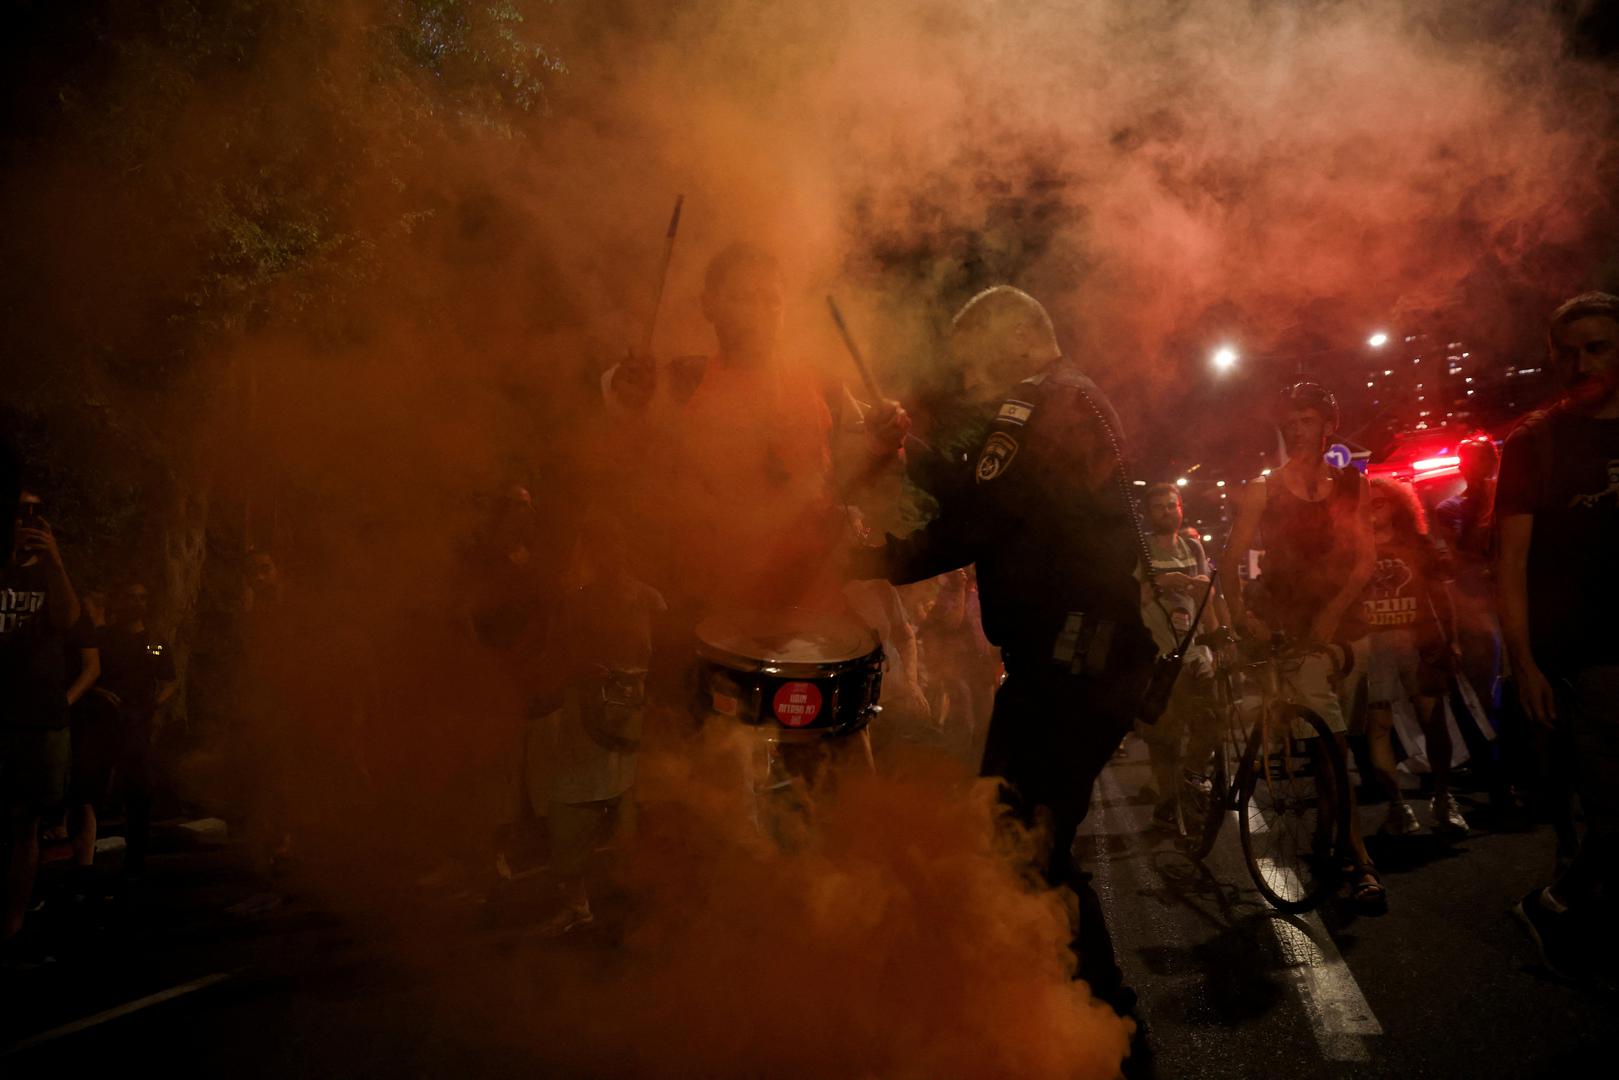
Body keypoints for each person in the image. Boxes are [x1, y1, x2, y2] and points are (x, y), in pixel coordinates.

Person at [849, 285, 1156, 1019]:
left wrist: (865, 560)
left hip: (1066, 663)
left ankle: (1097, 1011)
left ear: (1017, 338)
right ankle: (1077, 1006)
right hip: (1084, 657)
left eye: (974, 357)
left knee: (1020, 835)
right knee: (1023, 833)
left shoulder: (1036, 401)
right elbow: (992, 493)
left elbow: (977, 517)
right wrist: (910, 450)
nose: (968, 375)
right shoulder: (1071, 398)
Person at [1224, 383, 1384, 909]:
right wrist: (1243, 617)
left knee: (1340, 743)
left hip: (1347, 628)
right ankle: (1360, 860)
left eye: (1307, 420)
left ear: (1328, 426)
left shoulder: (1352, 484)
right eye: (1289, 422)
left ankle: (1325, 840)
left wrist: (1335, 610)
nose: (1296, 430)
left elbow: (1365, 558)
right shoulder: (1265, 488)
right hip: (1294, 633)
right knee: (1332, 746)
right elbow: (1229, 561)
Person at [1500, 291, 1619, 982]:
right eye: (1567, 353)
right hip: (1585, 656)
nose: (1582, 364)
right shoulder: (1534, 442)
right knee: (1610, 815)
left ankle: (1569, 904)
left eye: (1597, 347)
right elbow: (1510, 563)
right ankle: (1560, 904)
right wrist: (1522, 662)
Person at [1359, 477, 1468, 835]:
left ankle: (1443, 797)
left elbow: (1441, 596)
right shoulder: (1353, 550)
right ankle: (1398, 807)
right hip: (1374, 645)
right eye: (1366, 503)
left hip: (1418, 640)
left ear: (1396, 505)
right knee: (1378, 726)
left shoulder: (1416, 545)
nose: (1372, 510)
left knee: (1432, 720)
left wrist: (1451, 640)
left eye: (1379, 502)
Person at [0, 488, 83, 952]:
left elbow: (68, 619)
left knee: (26, 822)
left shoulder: (51, 572)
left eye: (36, 513)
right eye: (20, 511)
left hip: (38, 717)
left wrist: (55, 559)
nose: (27, 520)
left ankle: (12, 923)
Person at [1134, 484, 1219, 832]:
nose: (1167, 512)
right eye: (1159, 507)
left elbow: (1207, 599)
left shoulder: (1193, 546)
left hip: (1195, 650)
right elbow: (1133, 598)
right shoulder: (1142, 550)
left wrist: (1217, 636)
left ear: (1181, 507)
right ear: (1148, 514)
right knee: (1164, 736)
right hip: (1159, 654)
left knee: (1213, 720)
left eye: (1171, 505)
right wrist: (1164, 582)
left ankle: (1192, 776)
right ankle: (1168, 804)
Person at [93, 582, 178, 879]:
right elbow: (88, 670)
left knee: (138, 787)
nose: (138, 603)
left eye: (143, 598)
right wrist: (99, 692)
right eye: (131, 597)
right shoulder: (104, 639)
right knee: (94, 783)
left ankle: (136, 855)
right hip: (102, 719)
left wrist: (154, 704)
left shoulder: (152, 643)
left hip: (136, 721)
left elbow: (168, 679)